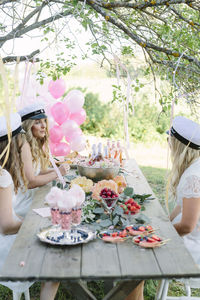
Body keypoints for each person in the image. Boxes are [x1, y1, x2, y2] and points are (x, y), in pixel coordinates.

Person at [0, 112, 59, 300]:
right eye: (21, 141)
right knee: (54, 261)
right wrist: (34, 221)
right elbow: (7, 226)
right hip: (4, 249)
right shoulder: (3, 178)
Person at [14, 102, 69, 217]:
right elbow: (30, 182)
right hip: (25, 204)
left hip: (33, 196)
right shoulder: (24, 145)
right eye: (37, 122)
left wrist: (56, 170)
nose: (44, 126)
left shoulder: (32, 142)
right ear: (28, 126)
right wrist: (58, 173)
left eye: (44, 121)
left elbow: (36, 170)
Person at [168, 116, 200, 266]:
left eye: (169, 140)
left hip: (191, 247)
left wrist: (164, 234)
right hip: (189, 238)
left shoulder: (193, 176)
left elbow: (187, 226)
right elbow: (183, 203)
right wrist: (166, 223)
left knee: (140, 254)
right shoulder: (195, 166)